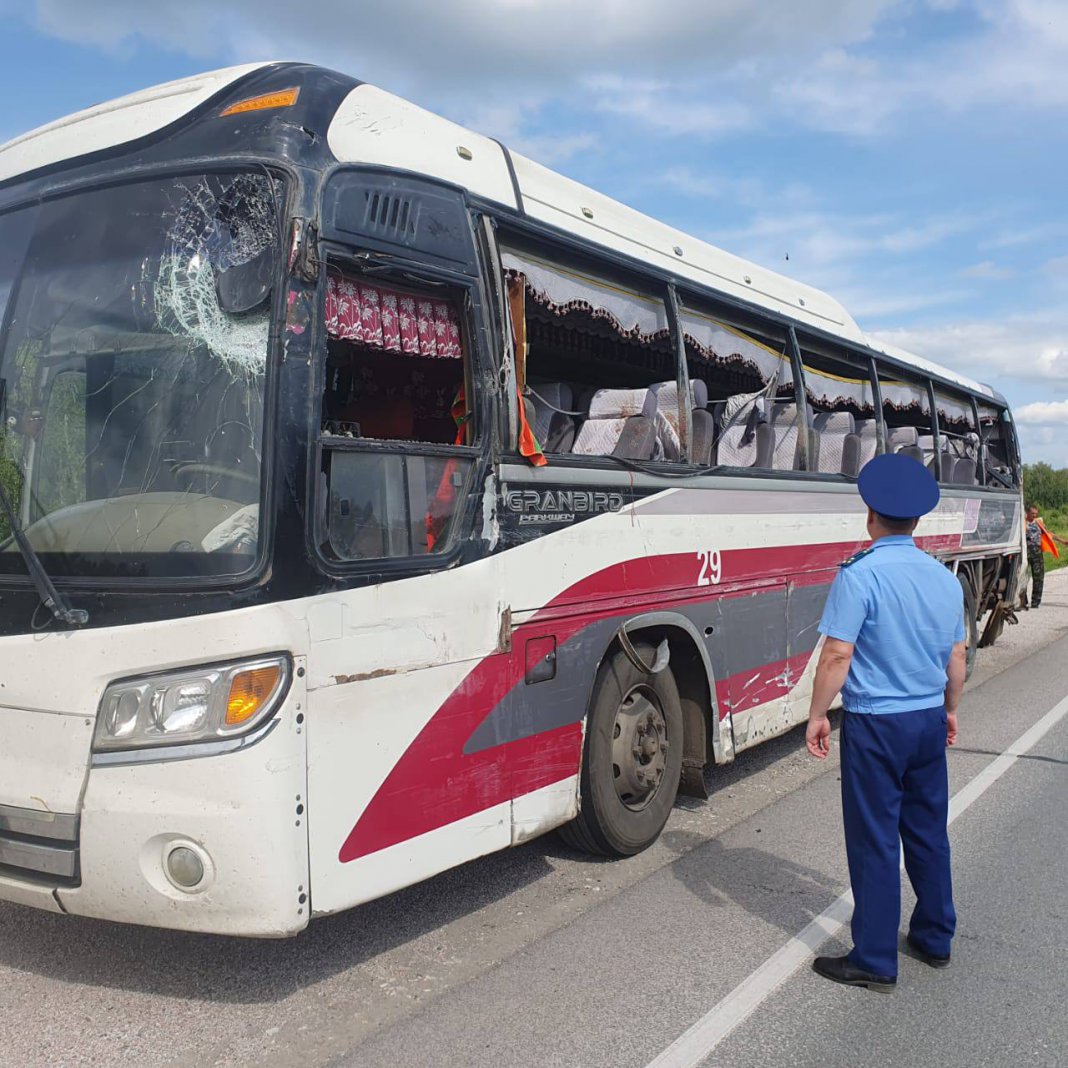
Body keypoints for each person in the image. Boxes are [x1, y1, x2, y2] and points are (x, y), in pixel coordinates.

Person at [805, 453, 967, 992]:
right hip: (924, 720)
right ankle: (935, 937)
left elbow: (836, 657)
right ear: (918, 521)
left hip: (877, 726)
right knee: (927, 830)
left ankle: (874, 957)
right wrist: (949, 710)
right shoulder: (944, 580)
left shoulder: (860, 574)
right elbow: (957, 660)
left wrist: (816, 716)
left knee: (876, 838)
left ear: (870, 516)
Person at [1022, 503, 1067, 609]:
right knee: (1022, 577)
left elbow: (1049, 534)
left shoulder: (1038, 523)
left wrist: (1063, 541)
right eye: (1032, 513)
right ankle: (1022, 600)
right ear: (1027, 513)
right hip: (1025, 553)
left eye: (1036, 514)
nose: (1034, 515)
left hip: (1037, 552)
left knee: (1039, 577)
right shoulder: (1022, 523)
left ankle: (1035, 602)